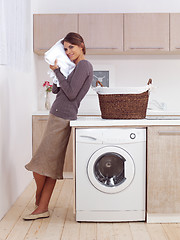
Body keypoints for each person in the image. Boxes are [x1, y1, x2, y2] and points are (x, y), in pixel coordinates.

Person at [23, 32, 93, 220]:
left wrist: (57, 72)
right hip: (58, 115)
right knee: (50, 165)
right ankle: (42, 207)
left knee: (40, 164)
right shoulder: (74, 67)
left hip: (62, 117)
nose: (68, 51)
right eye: (65, 49)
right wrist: (59, 71)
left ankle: (40, 200)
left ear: (81, 45)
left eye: (71, 47)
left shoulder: (85, 65)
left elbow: (70, 94)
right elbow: (57, 90)